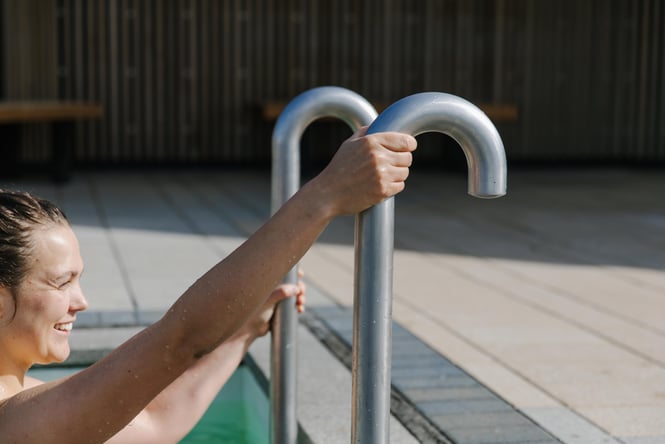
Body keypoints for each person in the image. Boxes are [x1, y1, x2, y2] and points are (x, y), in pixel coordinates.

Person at [0, 126, 416, 443]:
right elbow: (182, 338)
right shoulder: (15, 422)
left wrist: (242, 334)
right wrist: (325, 195)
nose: (82, 302)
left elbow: (157, 424)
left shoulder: (29, 409)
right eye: (62, 283)